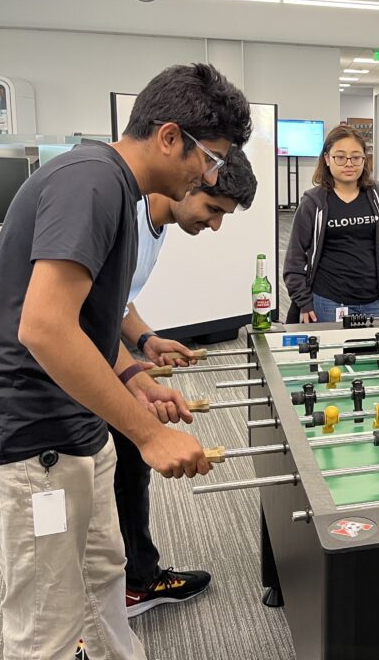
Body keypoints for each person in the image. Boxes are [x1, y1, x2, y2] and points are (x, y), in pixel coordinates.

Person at [0, 62, 251, 659]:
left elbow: (87, 321)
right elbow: (45, 328)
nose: (211, 175)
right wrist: (148, 436)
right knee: (48, 627)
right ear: (169, 137)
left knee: (104, 582)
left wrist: (134, 373)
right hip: (23, 438)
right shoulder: (92, 182)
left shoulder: (116, 187)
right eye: (210, 159)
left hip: (73, 429)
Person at [116, 149, 258, 617]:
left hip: (95, 359)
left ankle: (137, 577)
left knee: (125, 467)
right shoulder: (127, 219)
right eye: (213, 210)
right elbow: (72, 322)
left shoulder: (154, 227)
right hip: (50, 386)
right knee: (107, 475)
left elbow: (116, 304)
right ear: (189, 180)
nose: (214, 225)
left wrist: (146, 339)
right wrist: (134, 377)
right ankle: (122, 585)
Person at [285, 125, 379, 323]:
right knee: (331, 354)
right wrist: (303, 301)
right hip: (327, 302)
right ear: (327, 159)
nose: (349, 163)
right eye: (340, 157)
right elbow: (294, 258)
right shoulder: (313, 203)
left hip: (374, 302)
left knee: (371, 354)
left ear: (364, 160)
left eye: (356, 157)